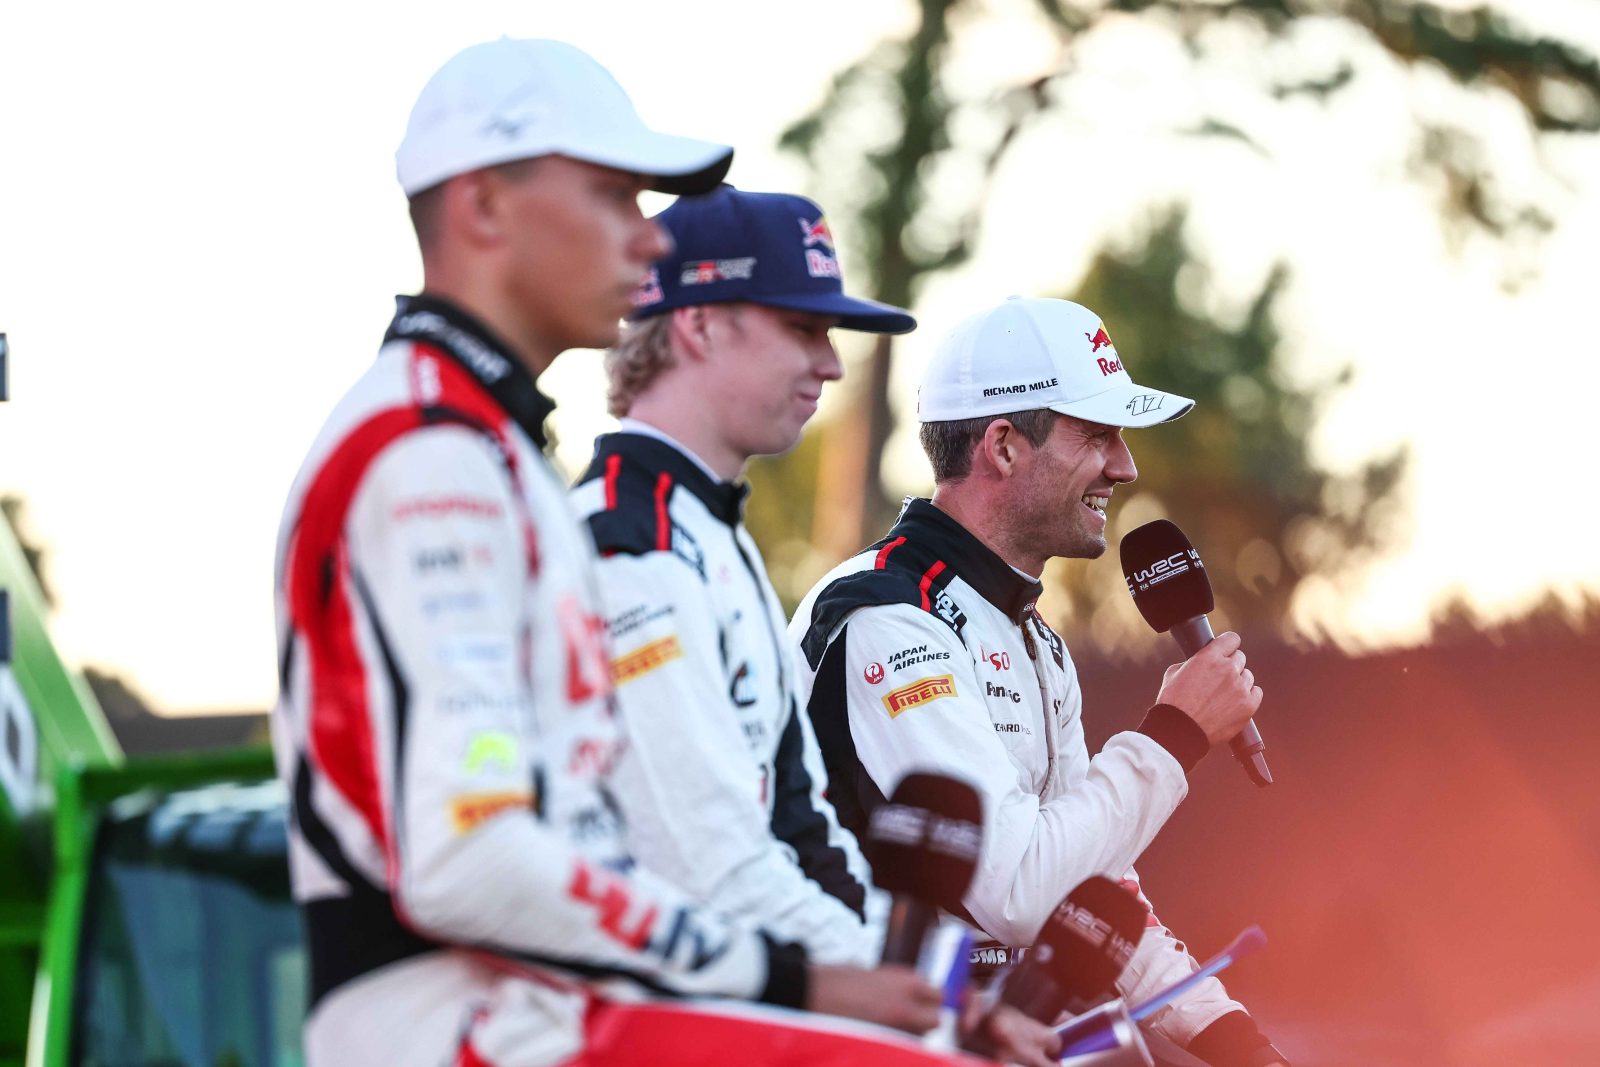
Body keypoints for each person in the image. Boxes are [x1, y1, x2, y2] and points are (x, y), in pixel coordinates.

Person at [272, 38, 964, 1067]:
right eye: (611, 196)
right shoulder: (428, 449)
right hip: (456, 1022)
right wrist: (806, 982)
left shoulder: (486, 443)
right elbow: (471, 857)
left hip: (529, 1008)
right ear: (483, 206)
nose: (648, 239)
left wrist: (875, 990)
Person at [568, 186, 1062, 1067]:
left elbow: (802, 828)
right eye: (803, 328)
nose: (831, 365)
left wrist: (940, 994)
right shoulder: (626, 542)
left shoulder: (708, 535)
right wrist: (929, 1011)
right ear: (700, 324)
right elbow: (706, 862)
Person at [789, 297, 1292, 1067]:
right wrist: (1176, 733)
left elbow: (1091, 886)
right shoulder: (888, 615)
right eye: (1097, 434)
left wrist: (1237, 1042)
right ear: (1003, 446)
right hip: (853, 1038)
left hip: (978, 1029)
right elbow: (1022, 892)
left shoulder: (1033, 637)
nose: (1125, 466)